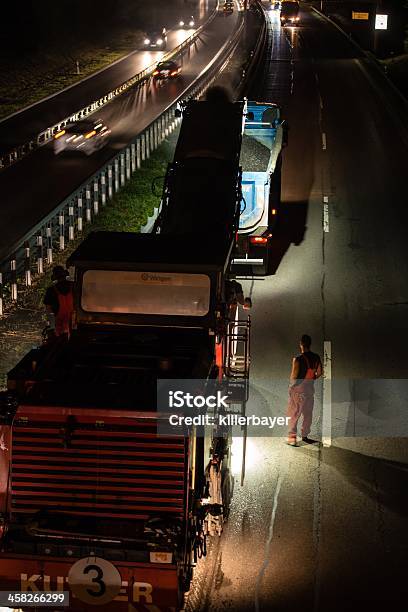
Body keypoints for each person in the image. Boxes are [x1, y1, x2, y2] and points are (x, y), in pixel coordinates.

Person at [287, 334, 322, 446]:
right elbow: (320, 372)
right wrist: (312, 379)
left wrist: (291, 388)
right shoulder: (316, 357)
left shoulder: (298, 359)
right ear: (310, 344)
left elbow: (294, 377)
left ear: (301, 344)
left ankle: (292, 438)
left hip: (298, 390)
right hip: (309, 389)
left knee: (294, 413)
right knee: (308, 413)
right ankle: (305, 435)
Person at [43, 266, 74, 338]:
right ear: (66, 275)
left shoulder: (51, 290)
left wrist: (51, 325)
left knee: (59, 340)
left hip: (60, 323)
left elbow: (48, 310)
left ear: (55, 278)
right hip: (74, 322)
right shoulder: (74, 286)